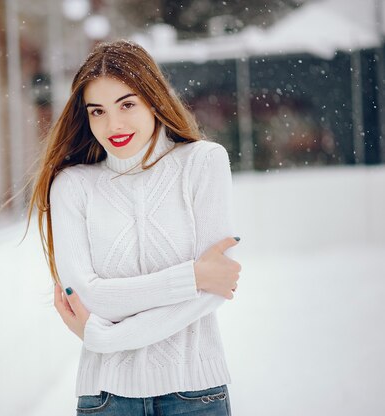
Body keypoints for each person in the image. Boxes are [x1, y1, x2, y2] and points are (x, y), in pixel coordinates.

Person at [27, 40, 241, 416]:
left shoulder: (203, 163)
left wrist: (105, 337)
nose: (113, 125)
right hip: (106, 399)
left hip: (196, 395)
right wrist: (192, 277)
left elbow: (217, 286)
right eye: (98, 111)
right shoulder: (73, 185)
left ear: (153, 99)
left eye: (127, 104)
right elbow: (87, 298)